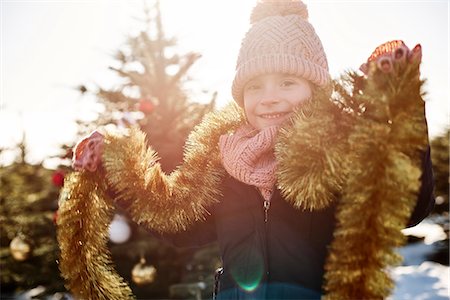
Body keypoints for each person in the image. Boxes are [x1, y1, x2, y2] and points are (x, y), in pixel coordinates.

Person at [69, 0, 434, 299]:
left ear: (316, 90)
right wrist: (116, 170)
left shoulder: (338, 150)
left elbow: (405, 203)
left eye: (288, 81)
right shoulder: (222, 160)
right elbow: (178, 222)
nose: (269, 97)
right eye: (255, 86)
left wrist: (399, 103)